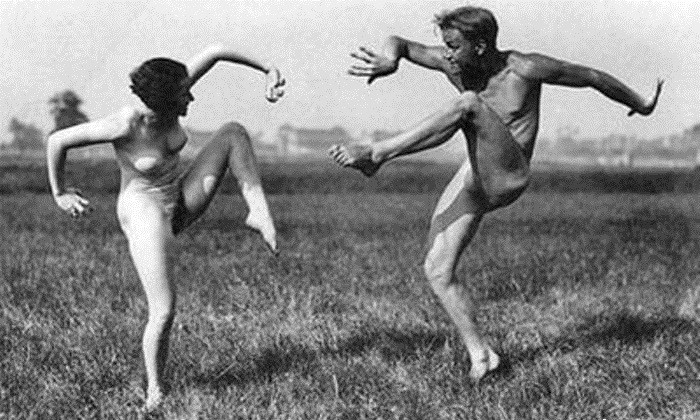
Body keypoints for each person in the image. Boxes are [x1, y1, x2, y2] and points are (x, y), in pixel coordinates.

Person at [329, 6, 662, 381]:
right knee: (437, 269)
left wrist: (640, 103)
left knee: (468, 104)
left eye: (454, 46)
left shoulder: (525, 68)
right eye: (445, 45)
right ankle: (483, 357)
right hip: (476, 173)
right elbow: (401, 44)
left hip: (509, 174)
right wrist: (389, 59)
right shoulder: (455, 65)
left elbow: (591, 77)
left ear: (481, 46)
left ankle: (377, 153)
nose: (448, 55)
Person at [46, 44, 285, 410]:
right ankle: (156, 392)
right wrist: (61, 193)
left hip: (179, 196)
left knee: (234, 132)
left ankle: (258, 212)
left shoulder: (174, 87)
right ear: (163, 102)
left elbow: (217, 51)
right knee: (164, 310)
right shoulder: (125, 123)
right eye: (184, 95)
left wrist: (268, 68)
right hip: (144, 211)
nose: (191, 97)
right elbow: (57, 141)